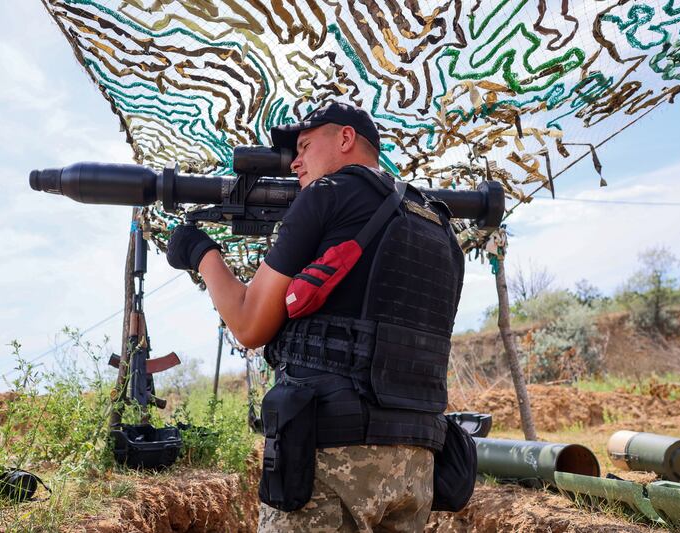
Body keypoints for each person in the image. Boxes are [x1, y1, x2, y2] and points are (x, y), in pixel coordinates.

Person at [166, 102, 465, 532]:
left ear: (345, 139)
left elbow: (249, 325)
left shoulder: (326, 195)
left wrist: (201, 253)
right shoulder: (435, 221)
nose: (297, 164)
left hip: (332, 456)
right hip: (418, 459)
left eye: (305, 147)